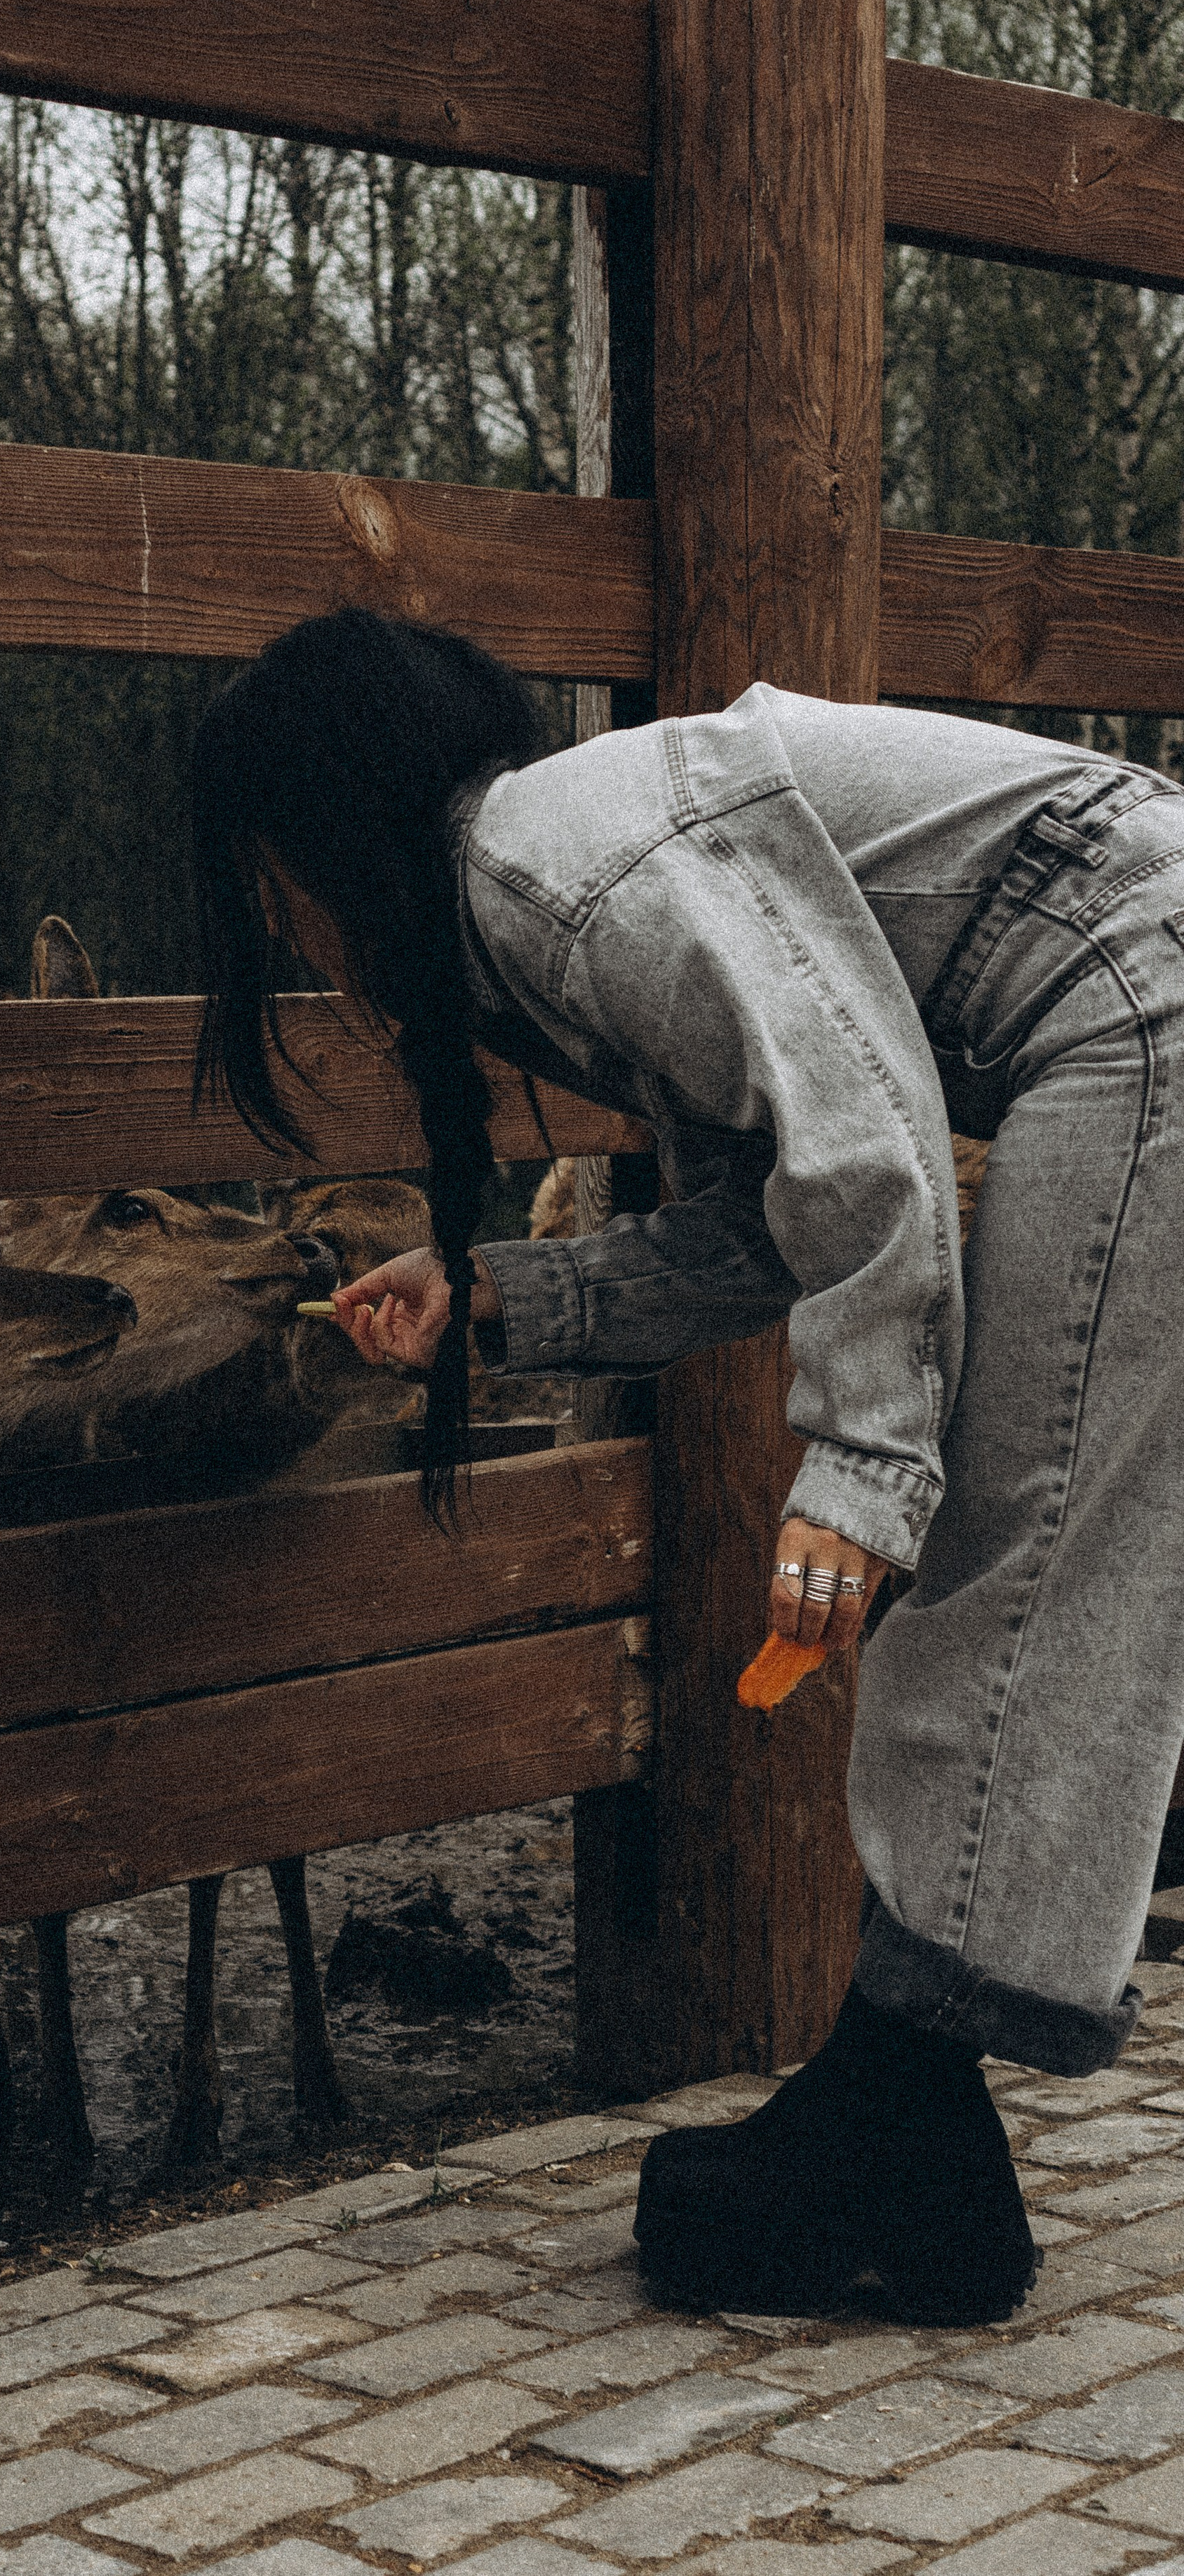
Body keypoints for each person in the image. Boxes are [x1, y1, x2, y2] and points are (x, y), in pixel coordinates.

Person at [191, 605, 1184, 2326]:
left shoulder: (542, 859)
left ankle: (891, 2135)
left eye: (271, 887)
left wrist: (861, 1465)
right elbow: (767, 1213)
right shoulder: (583, 867)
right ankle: (901, 2133)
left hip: (1143, 997)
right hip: (1140, 990)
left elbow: (864, 1133)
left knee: (1012, 1569)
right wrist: (501, 1294)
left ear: (320, 835)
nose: (287, 934)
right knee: (1095, 1561)